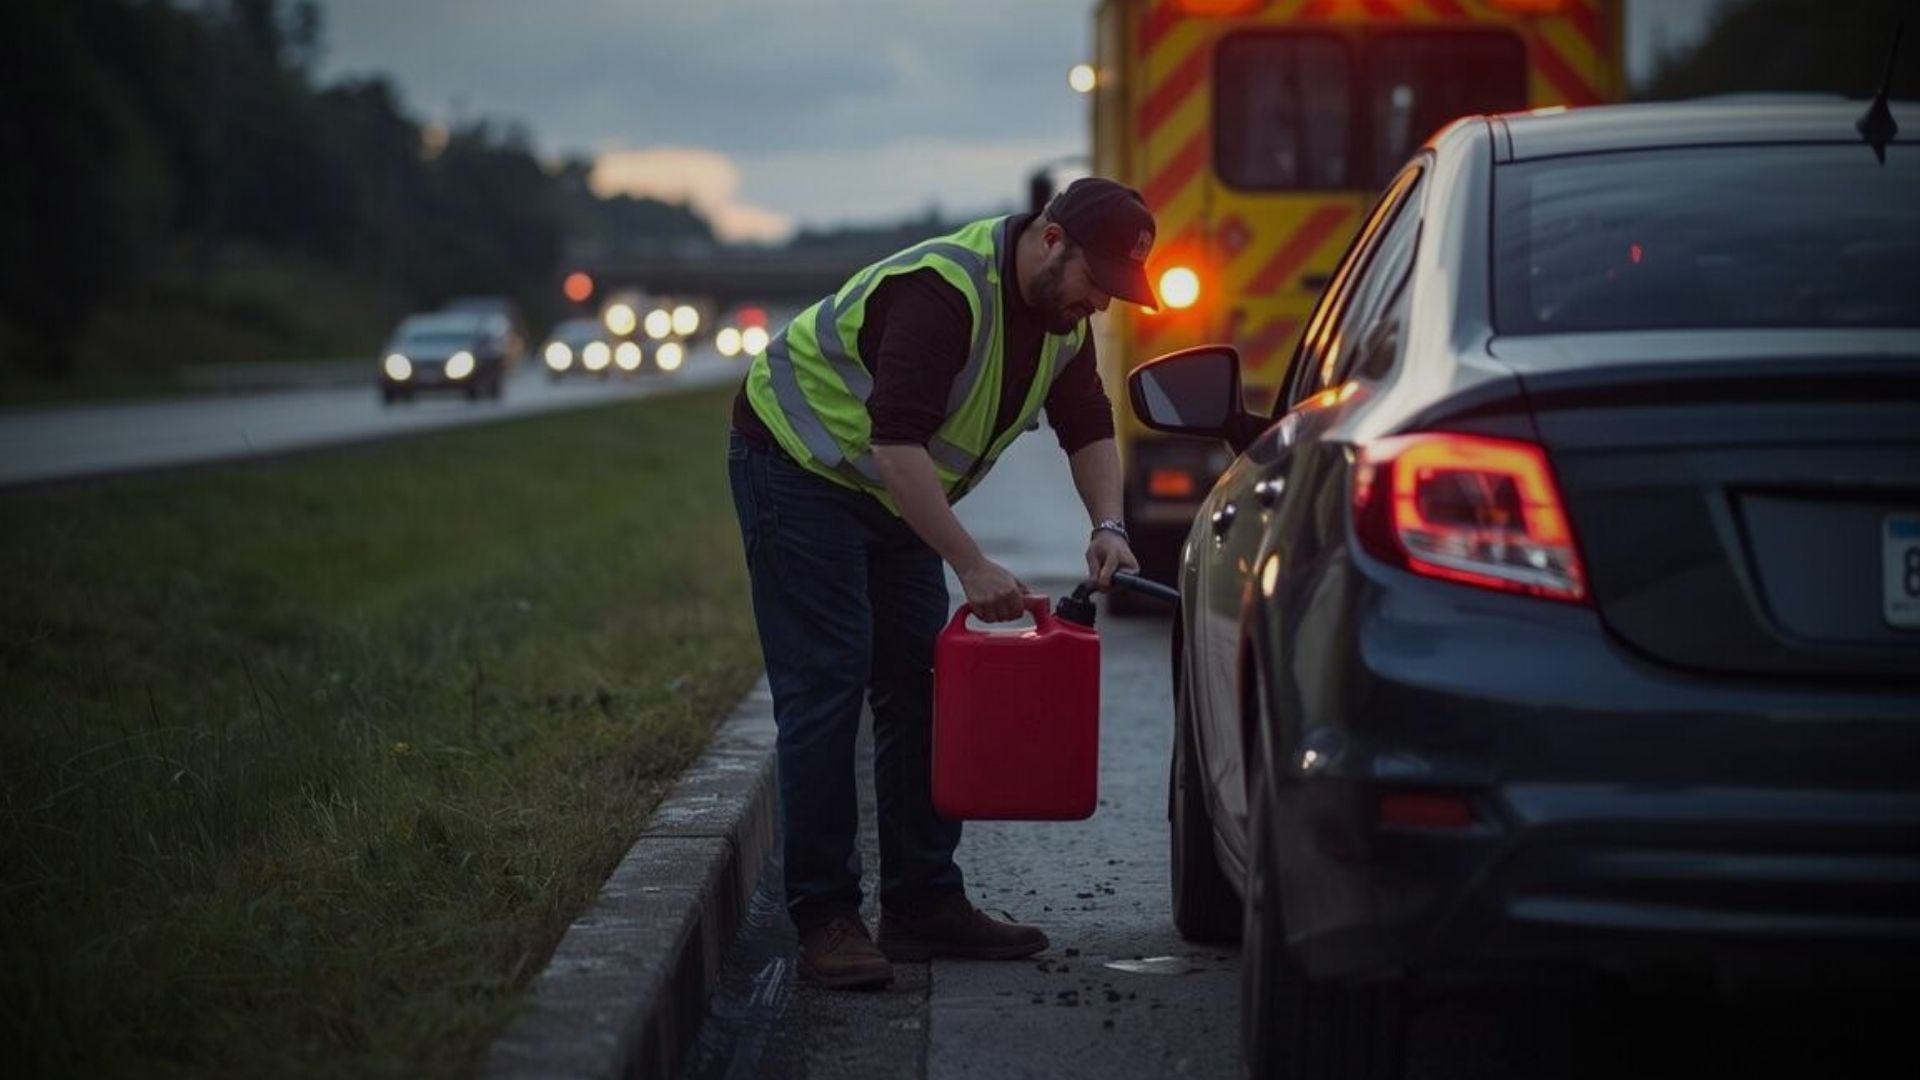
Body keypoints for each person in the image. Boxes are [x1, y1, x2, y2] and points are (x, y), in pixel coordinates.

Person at [727, 177, 1157, 989]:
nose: (1100, 303)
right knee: (828, 682)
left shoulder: (1063, 324)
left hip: (888, 490)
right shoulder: (944, 293)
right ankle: (826, 918)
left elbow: (1088, 426)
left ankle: (922, 904)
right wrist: (971, 563)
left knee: (921, 682)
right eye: (1096, 281)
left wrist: (1110, 526)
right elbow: (897, 449)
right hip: (798, 467)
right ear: (1052, 240)